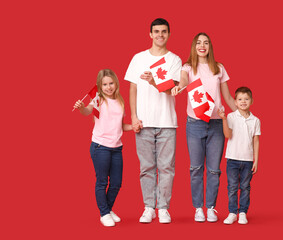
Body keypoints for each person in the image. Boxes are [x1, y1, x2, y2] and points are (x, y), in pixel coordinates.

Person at [172, 32, 236, 222]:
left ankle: (211, 208)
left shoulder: (219, 68)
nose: (202, 46)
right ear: (194, 46)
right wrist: (179, 87)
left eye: (206, 43)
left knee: (214, 169)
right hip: (195, 123)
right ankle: (198, 208)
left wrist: (243, 115)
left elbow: (229, 97)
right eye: (199, 43)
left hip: (216, 123)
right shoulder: (187, 67)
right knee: (196, 168)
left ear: (210, 46)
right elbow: (183, 81)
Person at [124, 18, 182, 224]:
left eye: (164, 31)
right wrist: (133, 117)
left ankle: (163, 208)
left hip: (167, 121)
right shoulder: (138, 58)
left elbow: (172, 90)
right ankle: (149, 207)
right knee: (146, 167)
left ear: (169, 34)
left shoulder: (175, 60)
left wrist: (154, 81)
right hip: (144, 122)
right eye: (156, 31)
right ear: (150, 34)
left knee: (167, 167)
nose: (160, 35)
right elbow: (132, 89)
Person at [73, 69, 132, 227]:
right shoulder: (98, 99)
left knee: (117, 183)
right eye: (104, 84)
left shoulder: (120, 101)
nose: (108, 87)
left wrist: (134, 126)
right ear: (100, 86)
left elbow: (120, 126)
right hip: (100, 147)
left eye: (111, 83)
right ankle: (104, 213)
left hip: (117, 147)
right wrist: (81, 108)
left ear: (116, 83)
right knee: (102, 182)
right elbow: (87, 111)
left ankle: (108, 208)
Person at [218, 86, 261, 225]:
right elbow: (227, 135)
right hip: (232, 158)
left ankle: (242, 212)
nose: (243, 102)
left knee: (245, 187)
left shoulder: (255, 120)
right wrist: (224, 119)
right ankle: (232, 213)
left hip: (247, 160)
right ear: (235, 102)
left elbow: (256, 140)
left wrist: (256, 160)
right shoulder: (231, 117)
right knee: (232, 187)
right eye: (240, 99)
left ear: (252, 101)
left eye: (246, 99)